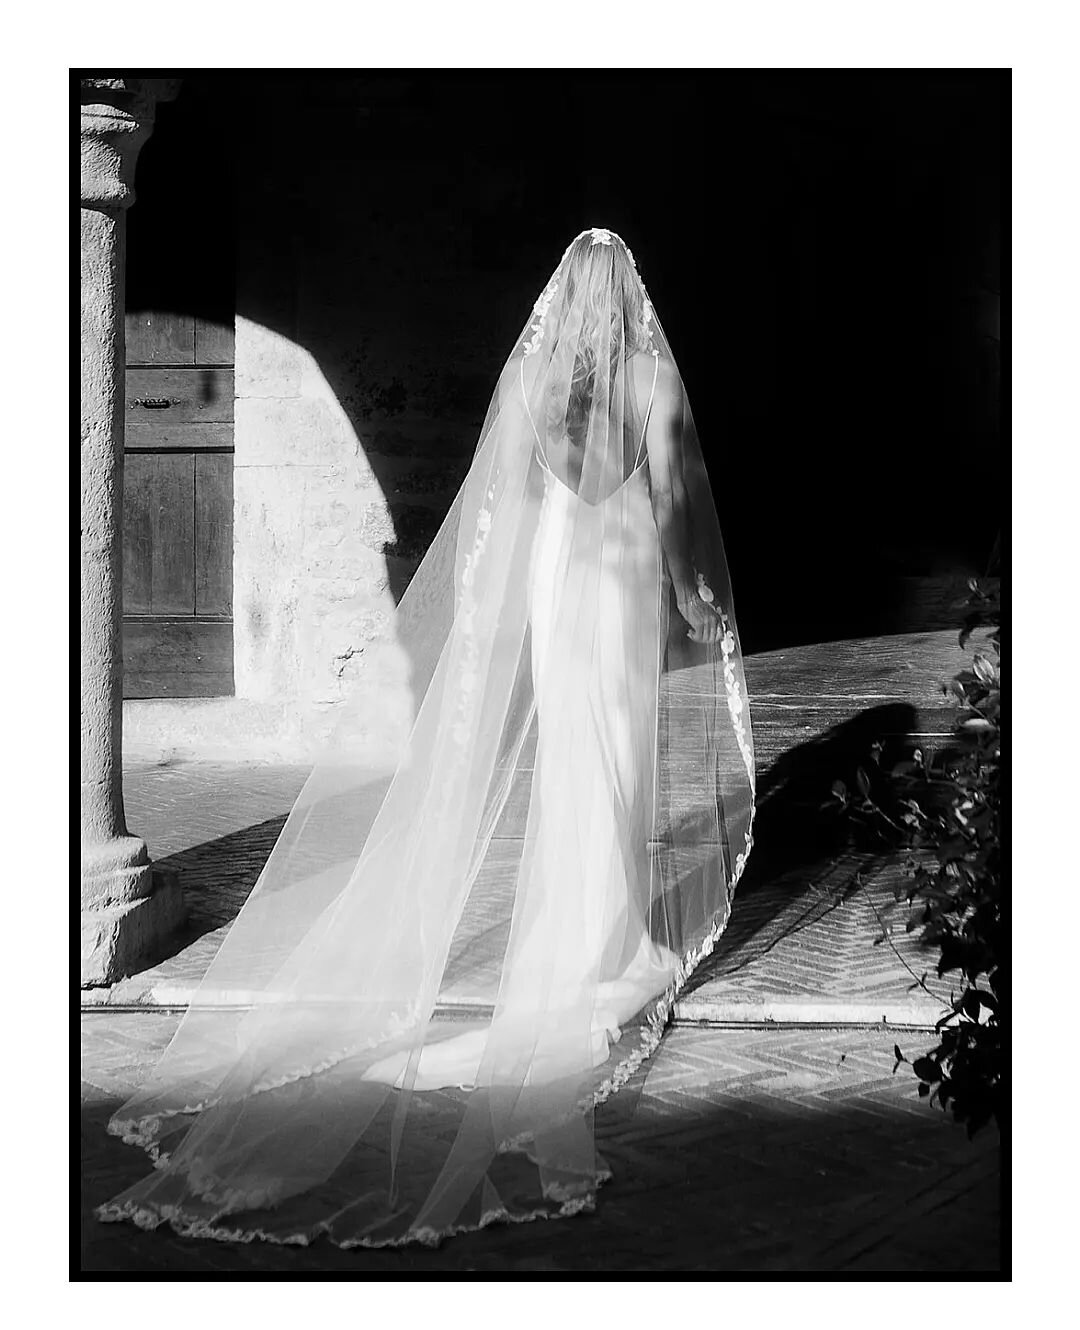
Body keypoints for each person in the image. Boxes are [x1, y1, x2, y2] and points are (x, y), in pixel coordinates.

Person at [96, 227, 756, 1249]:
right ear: (628, 295)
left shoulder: (535, 380)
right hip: (621, 586)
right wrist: (690, 596)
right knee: (618, 761)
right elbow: (673, 501)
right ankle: (605, 940)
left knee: (569, 763)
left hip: (557, 583)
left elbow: (509, 503)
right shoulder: (650, 377)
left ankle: (577, 938)